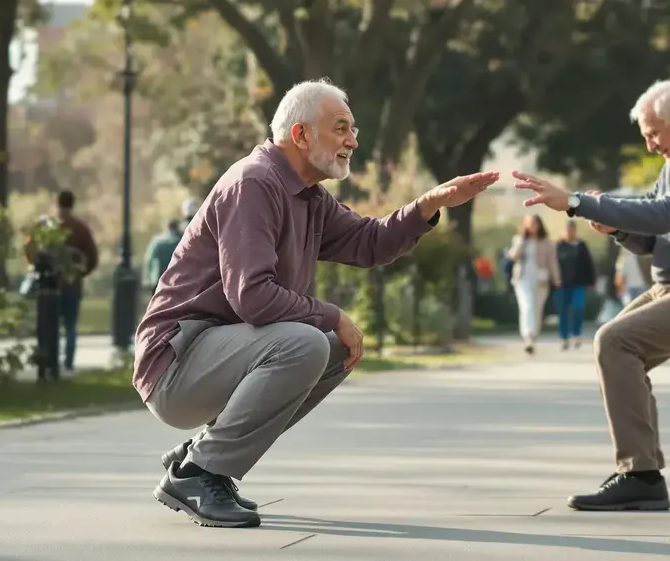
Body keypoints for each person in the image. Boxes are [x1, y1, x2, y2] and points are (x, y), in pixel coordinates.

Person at [133, 79, 497, 528]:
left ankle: (203, 458)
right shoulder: (254, 183)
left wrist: (426, 206)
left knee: (333, 348)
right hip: (176, 362)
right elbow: (251, 296)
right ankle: (200, 473)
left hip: (217, 354)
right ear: (300, 135)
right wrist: (333, 314)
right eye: (341, 128)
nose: (353, 141)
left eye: (354, 129)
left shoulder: (307, 196)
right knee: (307, 342)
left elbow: (369, 243)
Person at [513, 79, 670, 512]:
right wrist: (618, 227)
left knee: (616, 342)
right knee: (615, 347)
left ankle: (641, 474)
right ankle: (643, 473)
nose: (650, 147)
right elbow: (653, 234)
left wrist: (576, 202)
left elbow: (667, 214)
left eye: (653, 134)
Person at [26, 190, 98, 372]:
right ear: (72, 204)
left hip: (49, 283)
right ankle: (69, 362)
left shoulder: (45, 226)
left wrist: (36, 267)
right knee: (71, 323)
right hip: (71, 283)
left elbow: (29, 247)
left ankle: (51, 360)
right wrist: (79, 274)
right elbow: (93, 257)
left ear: (56, 203)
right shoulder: (80, 228)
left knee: (50, 323)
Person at [507, 214, 561, 354]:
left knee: (536, 310)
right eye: (530, 224)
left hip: (541, 280)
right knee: (527, 307)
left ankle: (533, 335)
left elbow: (552, 261)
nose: (533, 227)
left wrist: (556, 278)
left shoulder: (546, 242)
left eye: (535, 224)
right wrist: (521, 242)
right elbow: (513, 256)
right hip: (522, 279)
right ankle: (528, 337)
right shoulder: (519, 239)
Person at [554, 219, 597, 350]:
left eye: (572, 229)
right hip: (563, 284)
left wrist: (591, 281)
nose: (570, 231)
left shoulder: (581, 246)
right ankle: (564, 337)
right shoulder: (559, 246)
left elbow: (589, 264)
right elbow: (553, 264)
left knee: (578, 308)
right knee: (563, 310)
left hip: (580, 283)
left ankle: (576, 334)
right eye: (568, 229)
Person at [144, 218, 184, 294]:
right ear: (177, 227)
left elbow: (149, 260)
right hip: (176, 280)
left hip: (157, 279)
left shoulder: (157, 242)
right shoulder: (181, 241)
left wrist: (148, 279)